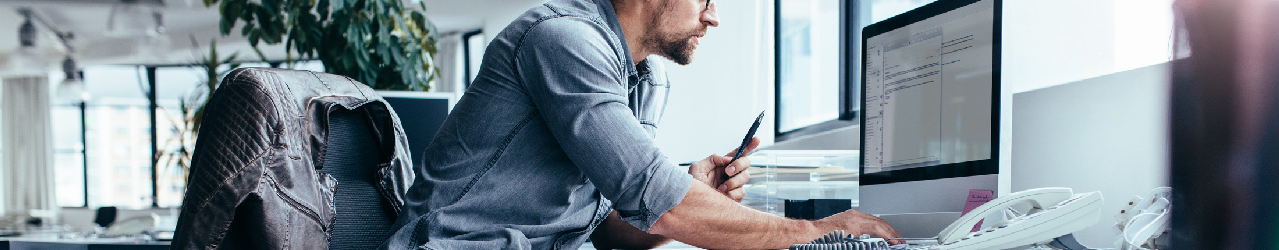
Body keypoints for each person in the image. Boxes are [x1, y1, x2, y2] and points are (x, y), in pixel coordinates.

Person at [380, 0, 902, 249]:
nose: (713, 17)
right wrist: (814, 232)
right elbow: (662, 203)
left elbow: (608, 231)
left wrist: (693, 191)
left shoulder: (646, 79)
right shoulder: (564, 41)